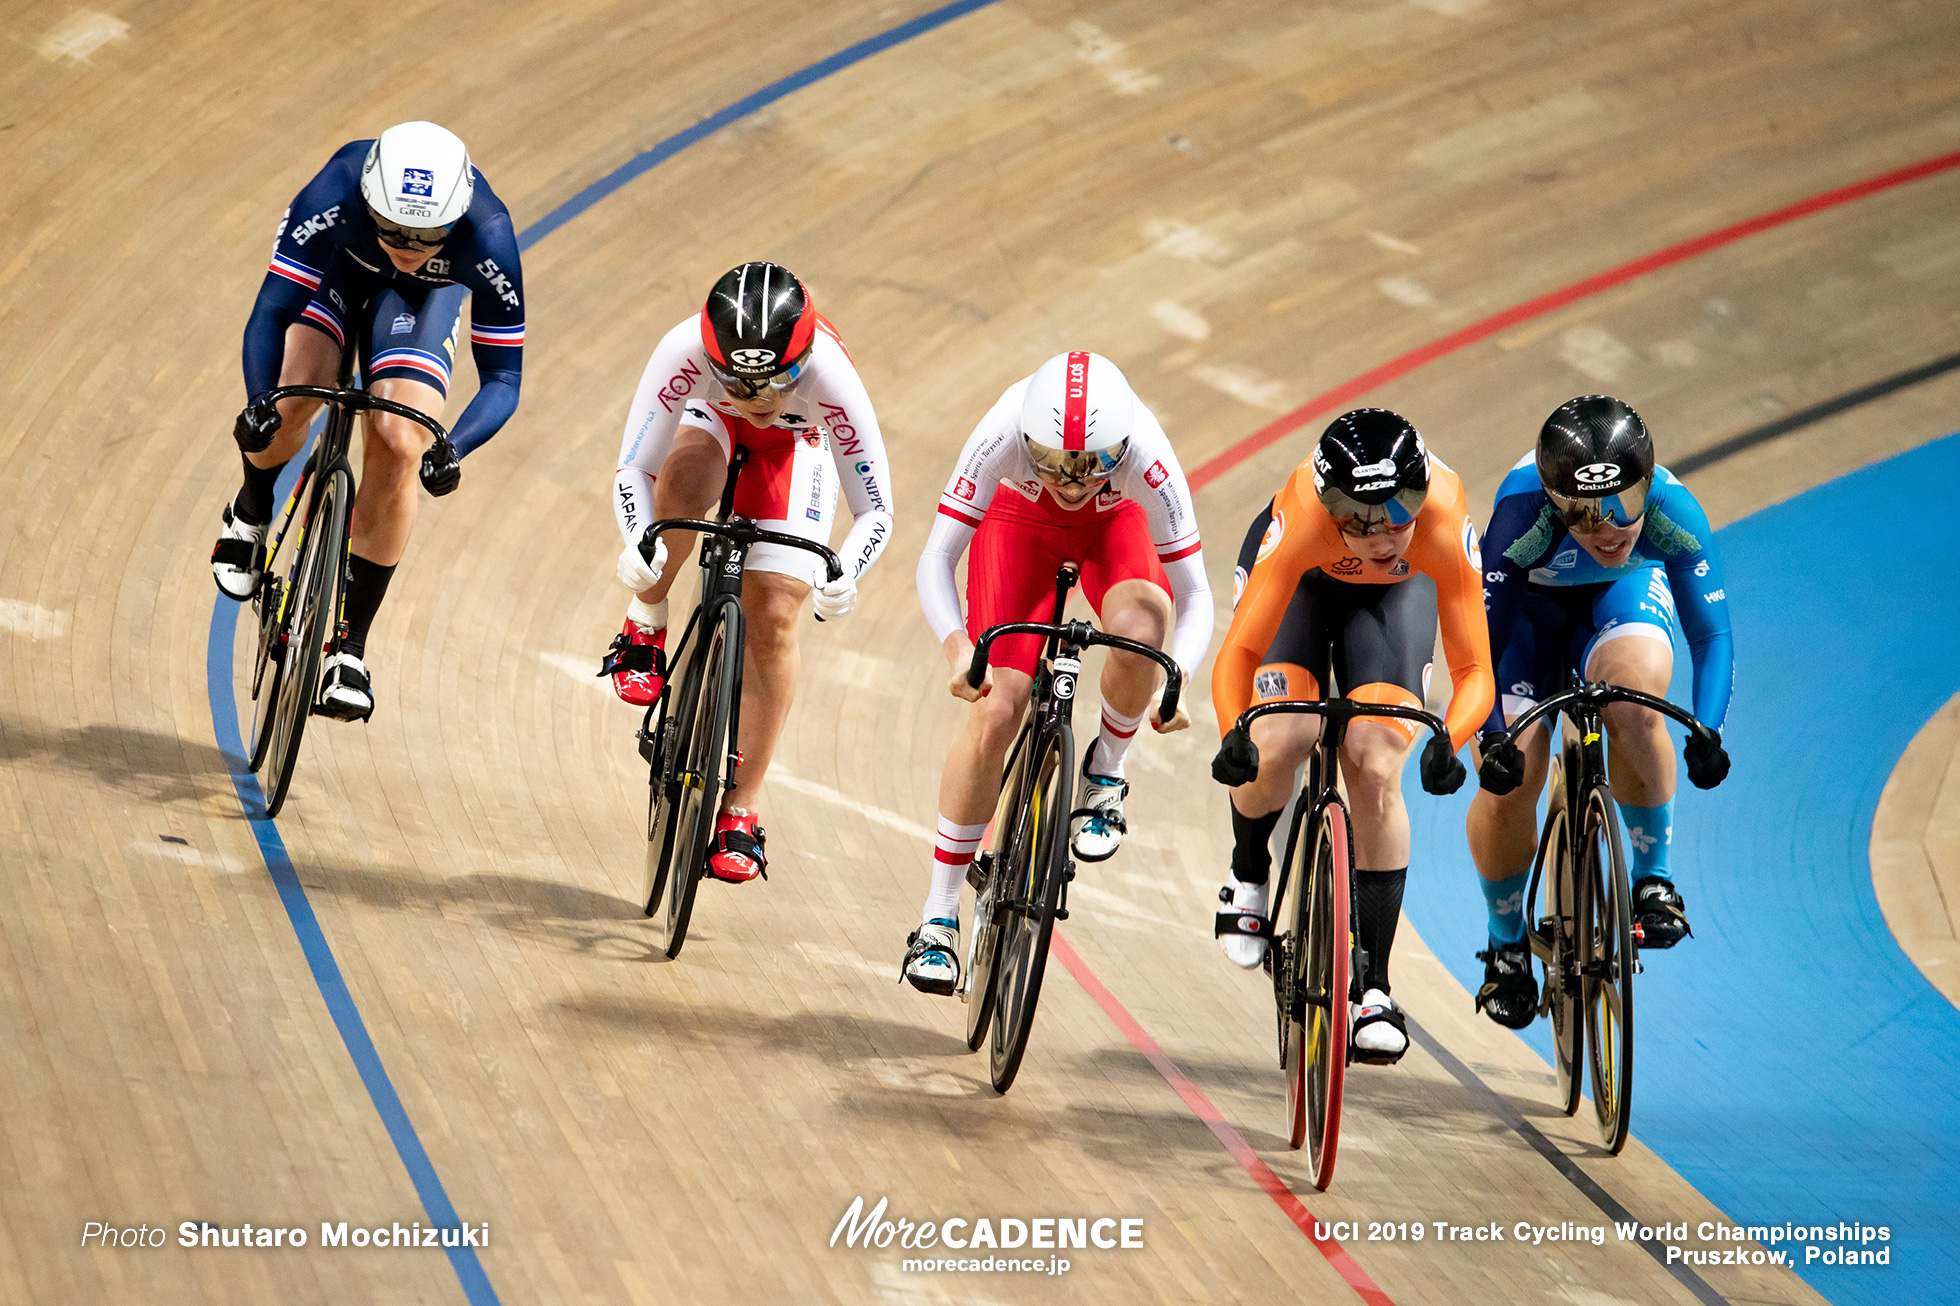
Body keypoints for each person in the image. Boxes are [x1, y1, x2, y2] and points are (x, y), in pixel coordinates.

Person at [902, 351, 1211, 994]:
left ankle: (1106, 773)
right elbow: (937, 558)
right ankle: (938, 917)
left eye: (1096, 462)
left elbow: (1196, 597)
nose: (1073, 479)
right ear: (1026, 440)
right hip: (1018, 526)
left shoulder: (1147, 459)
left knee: (1142, 630)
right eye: (1054, 460)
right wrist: (960, 651)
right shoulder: (1000, 435)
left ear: (1122, 447)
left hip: (1113, 528)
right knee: (996, 709)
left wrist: (1175, 676)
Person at [211, 121, 525, 721]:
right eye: (392, 228)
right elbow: (271, 313)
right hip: (335, 271)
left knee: (401, 441)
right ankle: (252, 508)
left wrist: (453, 446)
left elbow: (504, 379)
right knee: (293, 401)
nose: (407, 244)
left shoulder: (489, 236)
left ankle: (349, 646)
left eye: (427, 235)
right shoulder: (334, 191)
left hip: (416, 304)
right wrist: (259, 400)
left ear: (456, 220)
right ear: (368, 202)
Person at [1209, 409, 1489, 1064]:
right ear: (1331, 505)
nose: (1383, 533)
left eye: (1399, 514)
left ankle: (1374, 988)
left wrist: (1451, 736)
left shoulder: (1443, 519)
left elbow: (1475, 668)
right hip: (1302, 585)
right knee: (1283, 736)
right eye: (1360, 520)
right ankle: (1247, 873)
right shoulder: (1305, 515)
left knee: (1374, 760)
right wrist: (1233, 733)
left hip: (1391, 601)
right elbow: (1241, 652)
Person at [604, 262, 895, 883]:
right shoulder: (683, 351)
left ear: (805, 360)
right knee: (683, 480)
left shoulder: (831, 376)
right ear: (715, 361)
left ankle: (742, 805)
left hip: (798, 447)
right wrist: (639, 542)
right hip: (712, 426)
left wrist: (848, 571)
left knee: (777, 614)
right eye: (742, 384)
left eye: (777, 383)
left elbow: (876, 508)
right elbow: (634, 470)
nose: (760, 400)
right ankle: (646, 625)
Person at [1469, 395, 1733, 1029]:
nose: (1611, 529)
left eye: (1626, 508)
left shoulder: (1673, 511)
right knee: (1514, 779)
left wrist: (1708, 728)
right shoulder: (1521, 516)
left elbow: (1711, 634)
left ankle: (1654, 879)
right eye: (1586, 519)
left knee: (1638, 705)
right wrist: (1493, 735)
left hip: (1620, 604)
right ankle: (1505, 943)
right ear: (1557, 504)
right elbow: (1480, 646)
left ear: (1647, 485)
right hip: (1529, 628)